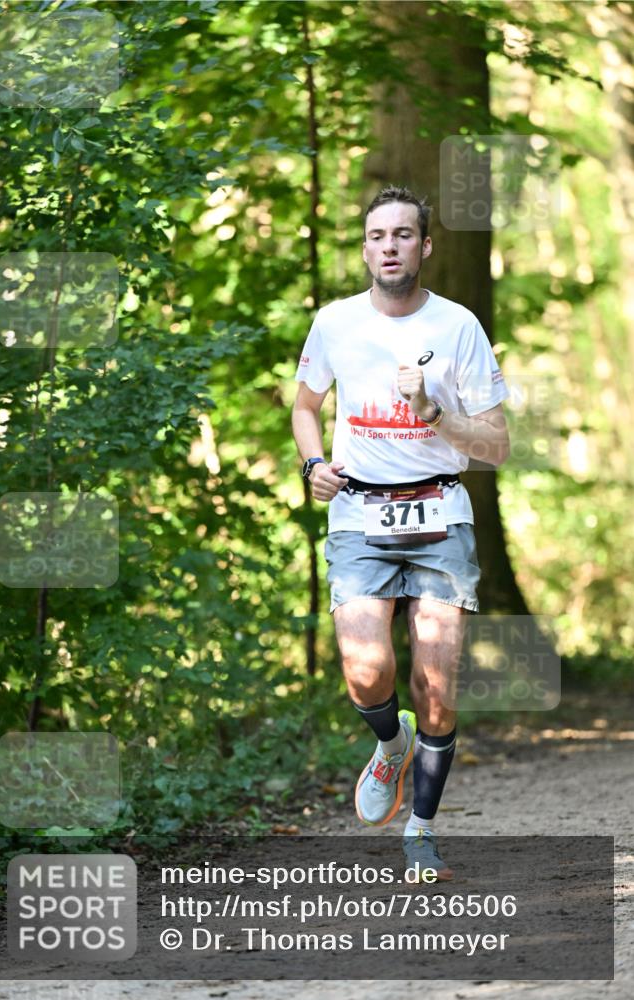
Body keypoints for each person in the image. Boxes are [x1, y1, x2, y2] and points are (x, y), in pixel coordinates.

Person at [291, 185, 510, 879]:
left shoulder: (457, 327)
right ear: (365, 248)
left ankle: (419, 834)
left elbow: (497, 445)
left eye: (401, 235)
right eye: (376, 236)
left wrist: (432, 413)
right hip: (358, 514)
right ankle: (390, 745)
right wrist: (314, 463)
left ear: (424, 246)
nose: (388, 246)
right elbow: (304, 406)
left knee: (437, 686)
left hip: (439, 515)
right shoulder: (333, 323)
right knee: (365, 672)